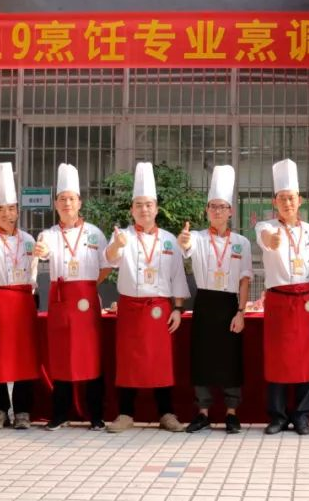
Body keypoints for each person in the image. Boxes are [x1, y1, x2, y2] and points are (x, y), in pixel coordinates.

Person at [104, 162, 190, 433]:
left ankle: (166, 413)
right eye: (139, 205)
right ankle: (125, 414)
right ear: (132, 209)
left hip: (160, 309)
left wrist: (178, 309)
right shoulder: (123, 236)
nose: (144, 210)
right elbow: (110, 258)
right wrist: (115, 246)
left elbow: (178, 276)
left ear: (156, 208)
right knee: (128, 362)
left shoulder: (169, 240)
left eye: (149, 205)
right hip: (130, 307)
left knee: (160, 361)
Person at [33, 163, 112, 431]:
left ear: (80, 203)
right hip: (60, 301)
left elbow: (107, 264)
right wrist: (40, 251)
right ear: (56, 204)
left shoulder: (94, 233)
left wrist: (88, 286)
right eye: (62, 199)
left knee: (91, 358)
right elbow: (43, 252)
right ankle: (59, 413)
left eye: (71, 199)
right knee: (61, 357)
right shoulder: (48, 234)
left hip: (86, 302)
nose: (67, 204)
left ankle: (96, 415)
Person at [180, 165, 253, 435]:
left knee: (230, 359)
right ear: (207, 210)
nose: (218, 211)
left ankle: (232, 413)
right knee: (202, 357)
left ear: (231, 211)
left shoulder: (241, 242)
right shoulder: (197, 238)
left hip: (229, 305)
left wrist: (241, 312)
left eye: (222, 207)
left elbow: (245, 279)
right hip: (205, 302)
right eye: (213, 207)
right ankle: (202, 413)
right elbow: (186, 247)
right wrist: (183, 240)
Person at [254, 159, 309, 435]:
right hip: (279, 301)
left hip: (306, 301)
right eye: (282, 198)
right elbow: (265, 238)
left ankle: (303, 415)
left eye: (291, 198)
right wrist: (271, 240)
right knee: (278, 359)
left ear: (300, 200)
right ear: (275, 202)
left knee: (306, 358)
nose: (287, 203)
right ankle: (278, 416)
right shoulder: (266, 226)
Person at [0, 162, 39, 430]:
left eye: (10, 208)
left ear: (17, 210)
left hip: (23, 300)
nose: (6, 214)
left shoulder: (29, 239)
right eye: (0, 209)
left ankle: (22, 410)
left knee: (25, 356)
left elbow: (34, 270)